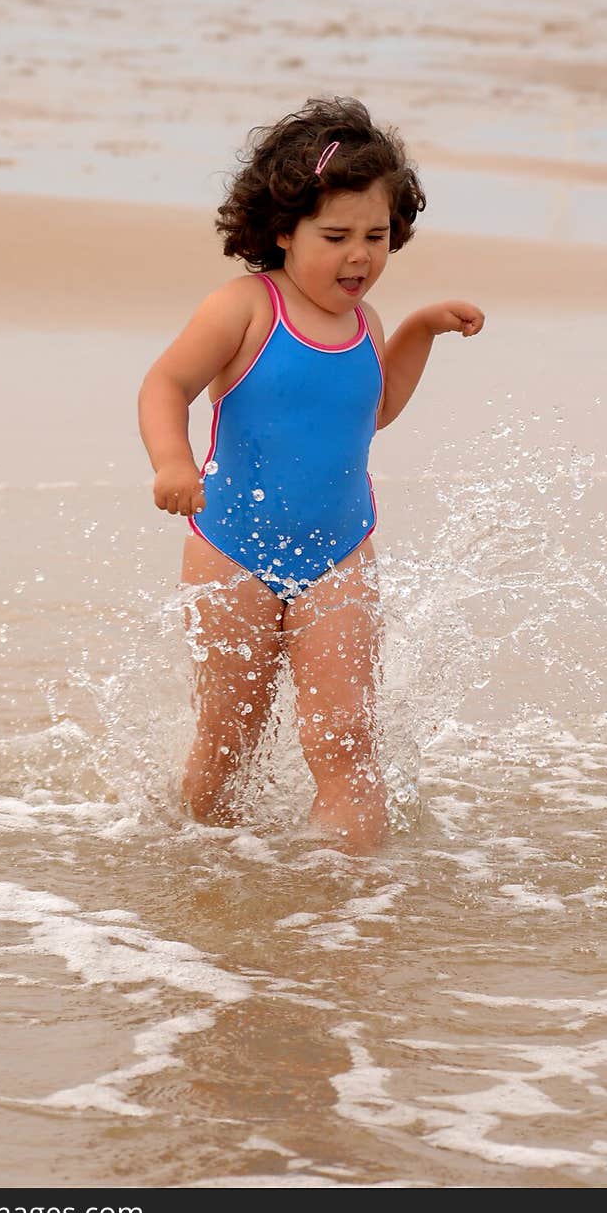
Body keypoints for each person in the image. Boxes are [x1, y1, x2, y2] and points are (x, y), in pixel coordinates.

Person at [138, 97, 484, 852]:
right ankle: (195, 867)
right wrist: (171, 460)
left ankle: (351, 912)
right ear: (283, 229)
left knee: (346, 743)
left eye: (377, 235)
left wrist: (420, 327)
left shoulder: (370, 325)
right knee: (228, 740)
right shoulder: (244, 308)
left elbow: (377, 407)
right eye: (335, 236)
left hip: (341, 554)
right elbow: (166, 385)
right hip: (232, 549)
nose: (359, 256)